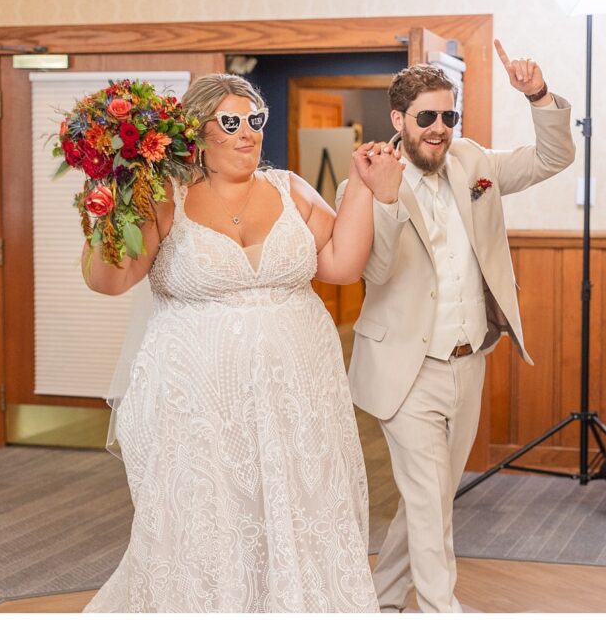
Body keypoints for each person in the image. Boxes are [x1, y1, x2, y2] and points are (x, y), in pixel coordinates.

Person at [81, 73, 402, 613]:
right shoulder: (165, 200)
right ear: (197, 132)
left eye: (255, 121)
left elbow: (343, 266)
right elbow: (109, 281)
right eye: (230, 122)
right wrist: (108, 210)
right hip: (198, 401)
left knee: (296, 502)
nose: (247, 133)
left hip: (295, 395)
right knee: (215, 511)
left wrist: (363, 185)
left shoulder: (291, 188)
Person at [338, 42, 576, 612]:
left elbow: (553, 158)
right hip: (406, 368)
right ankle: (442, 609)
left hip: (470, 360)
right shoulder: (365, 181)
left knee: (434, 500)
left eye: (449, 116)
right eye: (427, 117)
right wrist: (389, 201)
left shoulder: (475, 164)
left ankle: (382, 601)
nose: (440, 128)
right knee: (427, 501)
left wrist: (538, 96)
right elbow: (373, 271)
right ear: (398, 120)